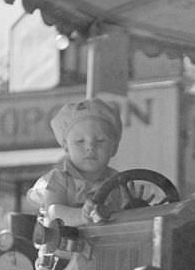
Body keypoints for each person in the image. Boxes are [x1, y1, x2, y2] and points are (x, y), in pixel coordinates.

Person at [27, 97, 123, 227]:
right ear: (66, 146)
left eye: (100, 141)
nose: (90, 147)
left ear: (114, 147)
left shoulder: (120, 182)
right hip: (65, 246)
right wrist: (81, 216)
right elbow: (53, 212)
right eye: (80, 141)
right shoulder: (59, 179)